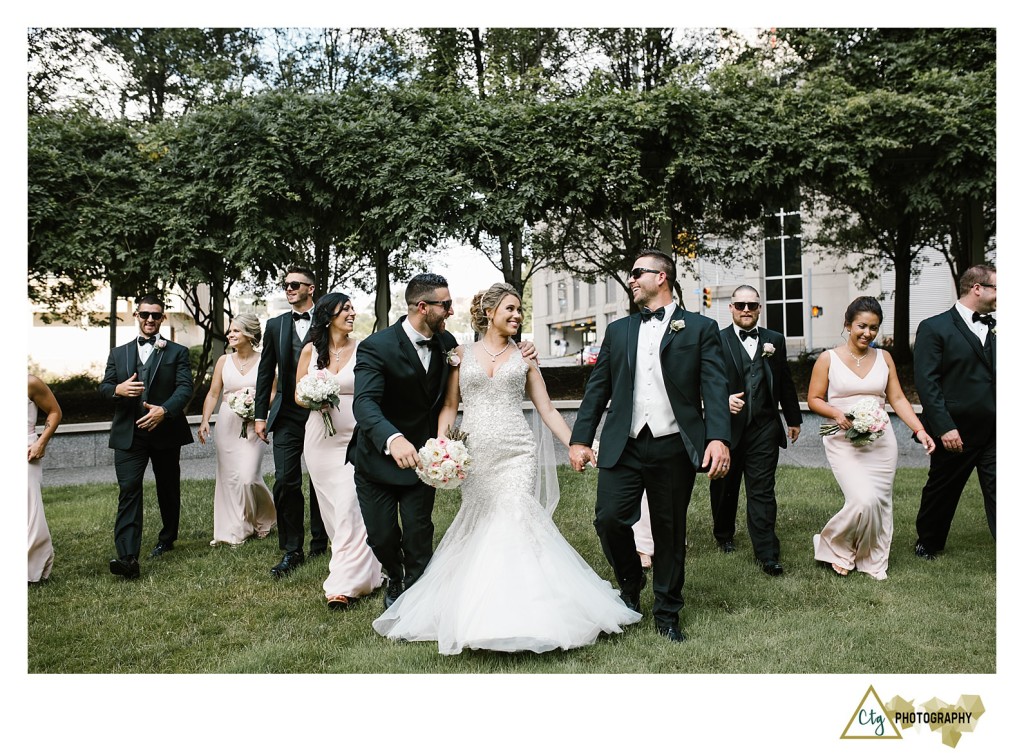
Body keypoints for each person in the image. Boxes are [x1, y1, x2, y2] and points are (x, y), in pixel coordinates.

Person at [373, 283, 640, 653]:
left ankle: (528, 614)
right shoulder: (459, 354)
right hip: (476, 455)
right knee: (481, 524)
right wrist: (441, 446)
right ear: (489, 312)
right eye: (510, 309)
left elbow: (547, 408)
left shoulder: (525, 356)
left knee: (514, 517)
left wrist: (575, 445)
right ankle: (478, 612)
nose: (516, 316)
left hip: (517, 452)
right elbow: (450, 406)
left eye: (520, 311)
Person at [569, 251, 731, 643]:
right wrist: (579, 438)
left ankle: (667, 611)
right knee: (608, 519)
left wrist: (718, 438)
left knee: (669, 531)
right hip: (622, 444)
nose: (631, 280)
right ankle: (630, 583)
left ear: (662, 277)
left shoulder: (700, 328)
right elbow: (598, 389)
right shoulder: (619, 330)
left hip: (672, 444)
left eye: (637, 273)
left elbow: (715, 387)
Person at [808, 297, 935, 579]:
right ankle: (834, 544)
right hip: (843, 439)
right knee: (862, 500)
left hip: (880, 441)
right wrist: (836, 413)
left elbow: (898, 399)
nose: (867, 333)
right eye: (862, 326)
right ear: (848, 325)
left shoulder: (884, 358)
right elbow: (814, 399)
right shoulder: (828, 358)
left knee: (879, 501)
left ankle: (870, 557)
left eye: (874, 328)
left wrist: (920, 430)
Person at [296, 292, 383, 610]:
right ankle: (366, 571)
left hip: (354, 438)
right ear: (327, 316)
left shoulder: (364, 349)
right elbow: (296, 395)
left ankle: (342, 586)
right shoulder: (310, 351)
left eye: (351, 308)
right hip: (319, 440)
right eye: (344, 309)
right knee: (333, 511)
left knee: (349, 505)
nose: (351, 313)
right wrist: (314, 396)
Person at [709, 285, 802, 576]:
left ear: (760, 308)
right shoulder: (716, 339)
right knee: (725, 486)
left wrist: (793, 418)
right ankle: (723, 535)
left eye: (752, 305)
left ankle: (767, 553)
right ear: (731, 308)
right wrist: (721, 402)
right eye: (740, 305)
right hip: (727, 429)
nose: (746, 309)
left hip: (764, 427)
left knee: (762, 491)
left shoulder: (774, 340)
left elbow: (784, 381)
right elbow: (704, 380)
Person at [99, 294, 194, 579]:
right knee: (129, 489)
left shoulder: (177, 352)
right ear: (136, 317)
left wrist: (164, 410)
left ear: (162, 318)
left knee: (168, 486)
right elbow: (104, 387)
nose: (150, 319)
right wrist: (117, 390)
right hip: (129, 434)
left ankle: (167, 538)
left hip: (164, 431)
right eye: (144, 315)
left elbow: (185, 388)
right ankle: (128, 557)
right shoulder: (119, 353)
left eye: (155, 315)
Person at [913, 264, 996, 559]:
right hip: (956, 430)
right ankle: (928, 541)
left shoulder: (997, 327)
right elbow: (927, 382)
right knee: (942, 489)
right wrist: (945, 426)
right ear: (977, 288)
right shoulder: (934, 327)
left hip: (995, 430)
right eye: (996, 288)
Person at [254, 266, 328, 578]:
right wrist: (260, 414)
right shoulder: (275, 325)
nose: (289, 289)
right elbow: (265, 370)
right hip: (285, 413)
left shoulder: (327, 320)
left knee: (321, 478)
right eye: (286, 285)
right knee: (286, 480)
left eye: (295, 284)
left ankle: (320, 540)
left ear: (311, 288)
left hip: (320, 411)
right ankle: (292, 548)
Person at [198, 313, 276, 547]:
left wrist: (257, 404)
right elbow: (213, 393)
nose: (230, 334)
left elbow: (272, 392)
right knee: (229, 478)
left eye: (236, 331)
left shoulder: (265, 360)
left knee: (248, 477)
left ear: (249, 334)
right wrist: (204, 420)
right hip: (227, 424)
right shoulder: (223, 361)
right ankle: (236, 529)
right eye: (230, 331)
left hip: (255, 425)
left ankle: (265, 517)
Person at [28, 375, 61, 583]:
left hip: (25, 450)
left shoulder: (29, 382)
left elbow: (55, 411)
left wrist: (41, 442)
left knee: (29, 510)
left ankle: (32, 569)